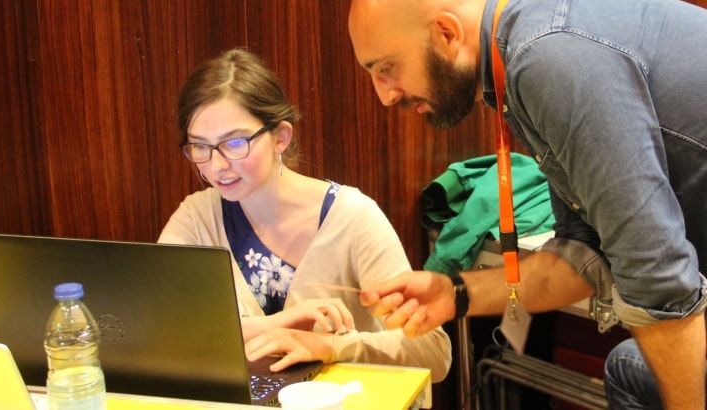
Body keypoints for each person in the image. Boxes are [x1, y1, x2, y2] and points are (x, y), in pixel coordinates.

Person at [348, 0, 707, 408]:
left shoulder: (546, 55)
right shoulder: (526, 49)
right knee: (629, 367)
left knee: (635, 369)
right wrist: (454, 293)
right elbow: (585, 255)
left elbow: (657, 276)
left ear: (446, 34)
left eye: (386, 68)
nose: (384, 97)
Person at [157, 48, 451, 383]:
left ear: (281, 137)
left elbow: (433, 351)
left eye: (235, 143)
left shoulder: (352, 217)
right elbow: (162, 333)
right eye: (200, 147)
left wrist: (332, 347)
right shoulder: (197, 218)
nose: (217, 165)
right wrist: (275, 325)